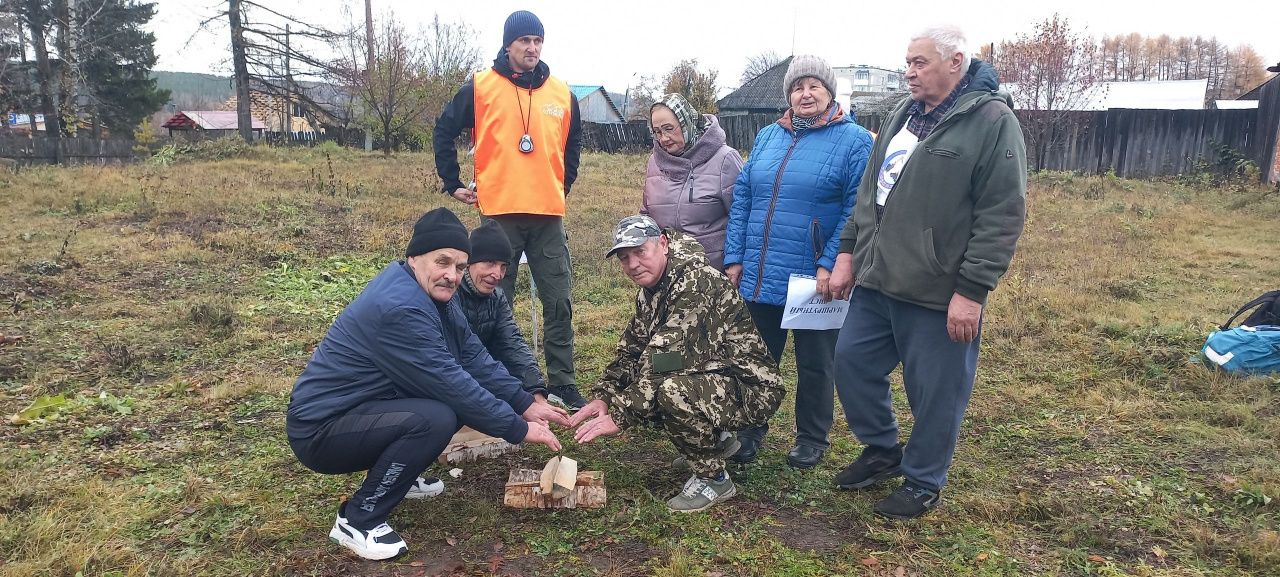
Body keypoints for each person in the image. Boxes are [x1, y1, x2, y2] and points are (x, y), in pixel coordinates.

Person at [286, 208, 569, 560]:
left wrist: (526, 402)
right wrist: (516, 426)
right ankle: (357, 519)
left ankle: (398, 477)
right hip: (321, 430)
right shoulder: (401, 308)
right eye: (443, 262)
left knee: (440, 412)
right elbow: (451, 382)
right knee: (435, 417)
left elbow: (473, 356)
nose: (452, 275)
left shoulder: (429, 295)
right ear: (414, 257)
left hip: (360, 409)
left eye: (460, 266)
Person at [830, 25, 1027, 519]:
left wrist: (972, 290)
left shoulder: (991, 121)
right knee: (851, 363)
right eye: (908, 62)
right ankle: (882, 449)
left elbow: (1002, 211)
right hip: (877, 278)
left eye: (920, 62)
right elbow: (869, 191)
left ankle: (923, 480)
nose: (909, 72)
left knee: (936, 393)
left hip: (938, 289)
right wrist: (848, 252)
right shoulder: (903, 113)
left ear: (956, 61)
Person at [569, 215, 784, 513]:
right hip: (717, 376)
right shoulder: (652, 289)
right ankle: (717, 441)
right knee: (653, 381)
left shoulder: (698, 284)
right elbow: (632, 348)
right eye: (624, 258)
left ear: (663, 244)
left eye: (639, 252)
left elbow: (665, 360)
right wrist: (604, 395)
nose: (632, 265)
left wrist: (620, 415)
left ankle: (714, 478)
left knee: (670, 390)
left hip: (751, 391)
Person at [722, 55, 873, 469]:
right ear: (787, 93)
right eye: (797, 87)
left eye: (814, 86)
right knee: (754, 358)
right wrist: (735, 256)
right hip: (760, 270)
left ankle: (811, 437)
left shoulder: (856, 141)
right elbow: (745, 199)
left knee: (815, 362)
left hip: (812, 276)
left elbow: (855, 209)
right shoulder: (769, 135)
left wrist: (831, 261)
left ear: (829, 92)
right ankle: (750, 429)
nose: (805, 94)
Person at [432, 10, 587, 408]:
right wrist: (452, 182)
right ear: (508, 45)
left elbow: (572, 149)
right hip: (499, 215)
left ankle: (563, 383)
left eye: (537, 40)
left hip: (548, 216)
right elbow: (443, 129)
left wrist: (561, 187)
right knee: (491, 301)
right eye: (524, 41)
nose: (532, 48)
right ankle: (498, 380)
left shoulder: (562, 93)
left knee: (558, 300)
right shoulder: (482, 87)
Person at [642, 93, 744, 270]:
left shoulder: (724, 159)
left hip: (712, 271)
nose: (663, 138)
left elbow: (742, 216)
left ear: (686, 123)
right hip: (667, 270)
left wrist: (736, 261)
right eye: (657, 132)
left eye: (669, 128)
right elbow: (647, 214)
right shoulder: (655, 161)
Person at [458, 220, 550, 401]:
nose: (497, 274)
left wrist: (536, 392)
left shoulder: (497, 298)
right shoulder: (449, 294)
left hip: (481, 375)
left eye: (503, 266)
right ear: (469, 262)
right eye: (490, 263)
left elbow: (512, 344)